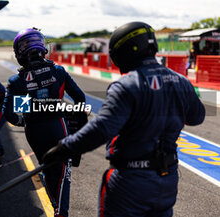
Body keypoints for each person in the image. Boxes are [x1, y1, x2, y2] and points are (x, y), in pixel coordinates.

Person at [43, 22, 205, 217]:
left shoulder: (126, 85)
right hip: (167, 179)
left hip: (130, 181)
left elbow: (102, 128)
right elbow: (197, 117)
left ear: (123, 53)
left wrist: (64, 148)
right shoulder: (181, 81)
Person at [3, 28, 86, 217]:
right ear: (41, 46)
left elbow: (9, 114)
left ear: (19, 52)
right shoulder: (57, 71)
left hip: (33, 130)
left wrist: (24, 120)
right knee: (63, 172)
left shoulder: (17, 80)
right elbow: (80, 98)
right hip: (58, 126)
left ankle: (55, 206)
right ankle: (61, 213)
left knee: (47, 170)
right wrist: (72, 117)